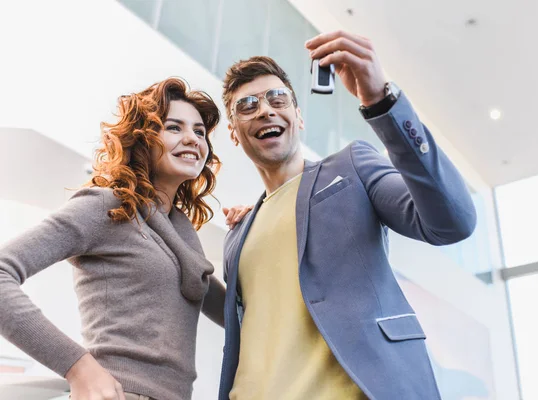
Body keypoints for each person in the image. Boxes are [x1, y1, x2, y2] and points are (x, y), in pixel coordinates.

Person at [218, 31, 477, 400]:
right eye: (247, 105)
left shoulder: (351, 166)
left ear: (299, 117)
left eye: (278, 99)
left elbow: (453, 220)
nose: (264, 110)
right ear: (233, 134)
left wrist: (381, 101)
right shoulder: (238, 232)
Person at [0, 78, 250, 400]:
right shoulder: (107, 205)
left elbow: (238, 316)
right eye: (174, 127)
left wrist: (252, 226)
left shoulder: (182, 233)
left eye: (199, 132)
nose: (192, 138)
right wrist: (78, 366)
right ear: (142, 138)